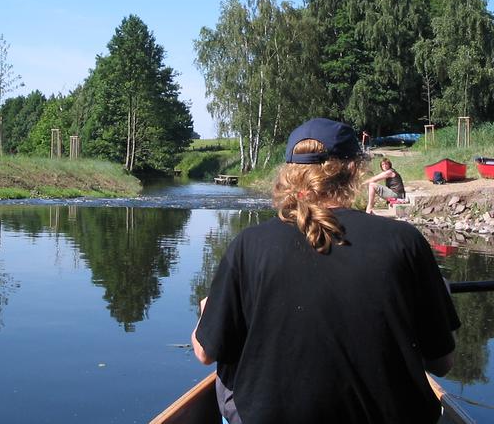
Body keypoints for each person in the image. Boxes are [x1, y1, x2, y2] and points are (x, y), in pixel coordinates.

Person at [191, 117, 460, 424]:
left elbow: (204, 353)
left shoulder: (249, 244)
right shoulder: (405, 241)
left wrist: (208, 310)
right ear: (354, 170)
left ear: (290, 176)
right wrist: (438, 304)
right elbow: (442, 363)